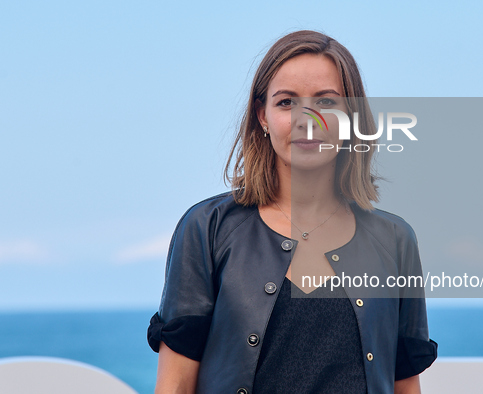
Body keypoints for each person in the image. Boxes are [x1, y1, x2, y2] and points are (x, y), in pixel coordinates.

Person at [147, 30, 437, 394]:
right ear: (262, 117)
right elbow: (175, 386)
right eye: (286, 103)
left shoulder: (395, 241)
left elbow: (405, 385)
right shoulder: (207, 229)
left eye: (327, 102)